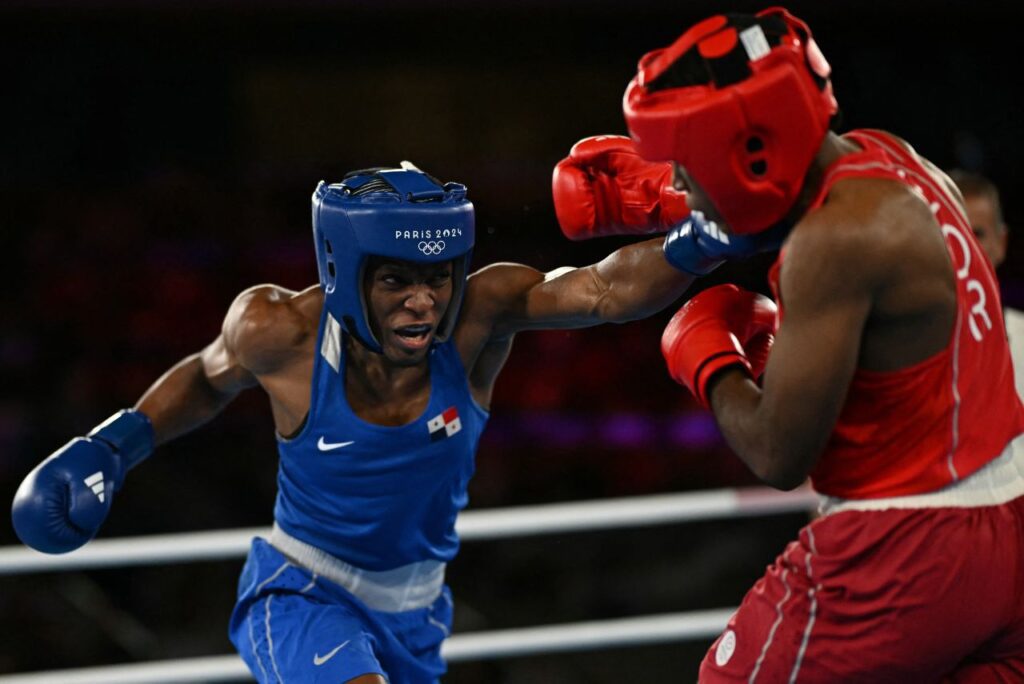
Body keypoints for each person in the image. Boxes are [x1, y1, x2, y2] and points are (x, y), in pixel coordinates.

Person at [10, 157, 773, 682]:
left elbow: (604, 291)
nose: (425, 302)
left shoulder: (480, 316)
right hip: (301, 591)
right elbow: (208, 379)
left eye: (438, 277)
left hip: (418, 610)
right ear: (346, 272)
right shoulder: (278, 330)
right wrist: (114, 444)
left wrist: (703, 237)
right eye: (398, 281)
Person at [622, 7, 1024, 681]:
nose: (682, 184)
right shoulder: (893, 156)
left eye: (687, 166)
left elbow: (778, 452)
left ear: (751, 150)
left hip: (906, 544)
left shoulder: (834, 242)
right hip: (1009, 527)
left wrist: (709, 358)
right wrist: (678, 208)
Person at [949, 169, 1024, 400]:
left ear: (1001, 243)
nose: (966, 249)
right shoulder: (906, 347)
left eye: (977, 234)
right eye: (955, 234)